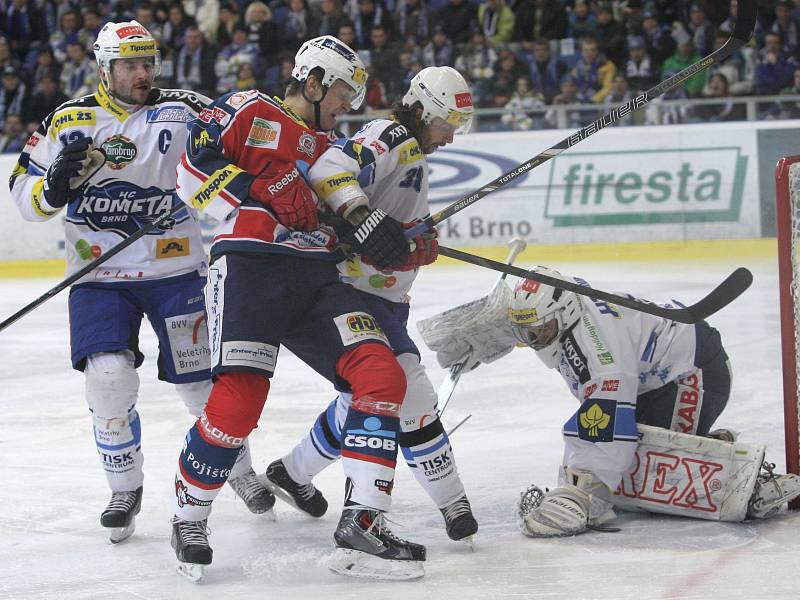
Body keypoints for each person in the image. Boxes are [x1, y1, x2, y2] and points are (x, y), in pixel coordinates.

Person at [171, 35, 427, 582]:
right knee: (239, 402)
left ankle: (363, 522)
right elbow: (191, 168)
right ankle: (188, 515)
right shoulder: (247, 109)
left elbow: (344, 200)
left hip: (315, 276)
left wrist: (380, 234)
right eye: (340, 92)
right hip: (249, 265)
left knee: (381, 376)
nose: (347, 107)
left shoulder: (326, 146)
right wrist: (256, 191)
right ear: (310, 81)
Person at [8, 20, 273, 546]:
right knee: (107, 379)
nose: (142, 73)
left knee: (203, 386)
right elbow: (23, 191)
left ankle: (239, 470)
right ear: (104, 68)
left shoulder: (184, 108)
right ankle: (124, 488)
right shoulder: (70, 119)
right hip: (99, 277)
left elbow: (242, 142)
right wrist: (53, 189)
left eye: (148, 62)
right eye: (130, 64)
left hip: (176, 272)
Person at [264, 65, 479, 545]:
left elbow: (397, 227)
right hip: (356, 294)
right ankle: (453, 503)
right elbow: (328, 171)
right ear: (425, 110)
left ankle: (292, 471)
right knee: (409, 393)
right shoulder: (390, 134)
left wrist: (418, 242)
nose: (451, 137)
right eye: (449, 125)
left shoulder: (412, 150)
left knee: (359, 401)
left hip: (384, 297)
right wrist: (361, 219)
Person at [505, 268, 800, 537]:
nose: (535, 339)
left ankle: (749, 485)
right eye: (526, 332)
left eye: (541, 329)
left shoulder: (601, 350)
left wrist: (583, 491)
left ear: (565, 312)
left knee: (651, 474)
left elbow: (607, 416)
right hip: (653, 384)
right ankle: (709, 445)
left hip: (694, 373)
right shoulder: (566, 309)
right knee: (627, 474)